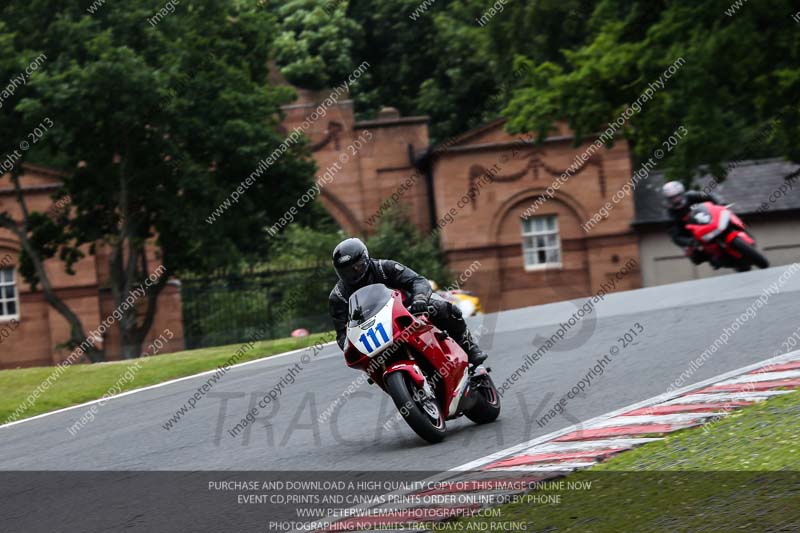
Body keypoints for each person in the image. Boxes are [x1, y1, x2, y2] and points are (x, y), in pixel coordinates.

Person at [328, 238, 488, 366]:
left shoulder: (385, 267)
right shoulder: (338, 296)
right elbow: (342, 331)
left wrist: (419, 299)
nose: (352, 274)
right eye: (346, 271)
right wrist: (347, 346)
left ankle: (469, 347)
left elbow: (417, 281)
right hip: (376, 330)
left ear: (365, 259)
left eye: (356, 267)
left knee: (444, 308)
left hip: (408, 311)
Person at [661, 181, 727, 268]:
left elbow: (709, 196)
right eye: (673, 198)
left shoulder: (692, 195)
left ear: (682, 193)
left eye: (678, 195)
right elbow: (676, 237)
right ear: (668, 199)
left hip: (707, 220)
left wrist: (720, 204)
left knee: (726, 213)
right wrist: (690, 242)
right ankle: (713, 259)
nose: (677, 199)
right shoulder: (669, 215)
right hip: (692, 235)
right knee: (696, 255)